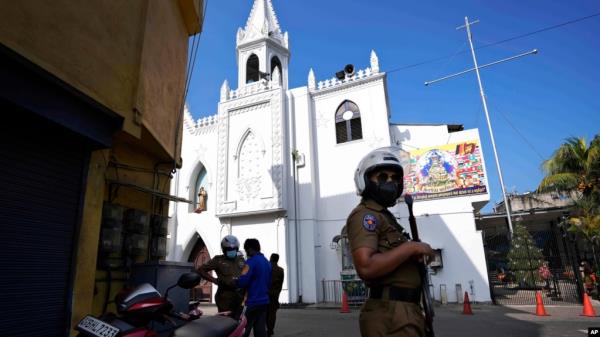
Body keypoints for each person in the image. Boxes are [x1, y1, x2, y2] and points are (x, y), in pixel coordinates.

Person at [346, 147, 435, 337]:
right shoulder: (366, 215)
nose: (390, 182)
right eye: (383, 177)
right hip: (391, 314)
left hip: (405, 311)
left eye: (395, 178)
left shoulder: (386, 218)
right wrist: (411, 248)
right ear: (366, 180)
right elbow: (366, 266)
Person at [198, 235, 245, 314]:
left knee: (237, 322)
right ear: (224, 250)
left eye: (234, 249)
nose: (231, 251)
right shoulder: (218, 260)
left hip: (239, 297)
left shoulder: (241, 260)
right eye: (229, 249)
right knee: (225, 322)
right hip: (224, 298)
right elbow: (201, 270)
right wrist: (214, 280)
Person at [236, 238, 271, 337]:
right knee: (260, 330)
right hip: (264, 301)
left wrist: (236, 281)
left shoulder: (250, 262)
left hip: (252, 302)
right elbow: (269, 282)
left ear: (250, 249)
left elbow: (243, 281)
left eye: (246, 250)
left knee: (243, 330)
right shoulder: (267, 262)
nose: (246, 252)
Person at [267, 253, 284, 336]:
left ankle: (266, 328)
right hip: (274, 295)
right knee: (272, 313)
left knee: (265, 312)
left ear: (270, 258)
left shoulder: (267, 268)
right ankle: (270, 329)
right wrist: (277, 292)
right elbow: (281, 284)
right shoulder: (281, 270)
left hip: (266, 293)